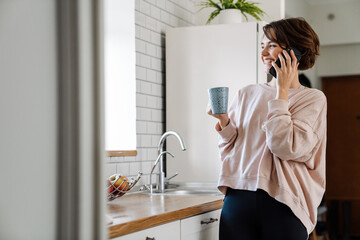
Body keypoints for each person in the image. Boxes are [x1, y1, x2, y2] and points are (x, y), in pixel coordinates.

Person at [207, 17, 326, 240]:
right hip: (238, 197)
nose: (263, 53)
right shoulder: (246, 93)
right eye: (262, 46)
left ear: (295, 51)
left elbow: (285, 147)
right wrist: (224, 121)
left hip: (284, 203)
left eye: (271, 45)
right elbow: (230, 147)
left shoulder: (312, 99)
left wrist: (281, 92)